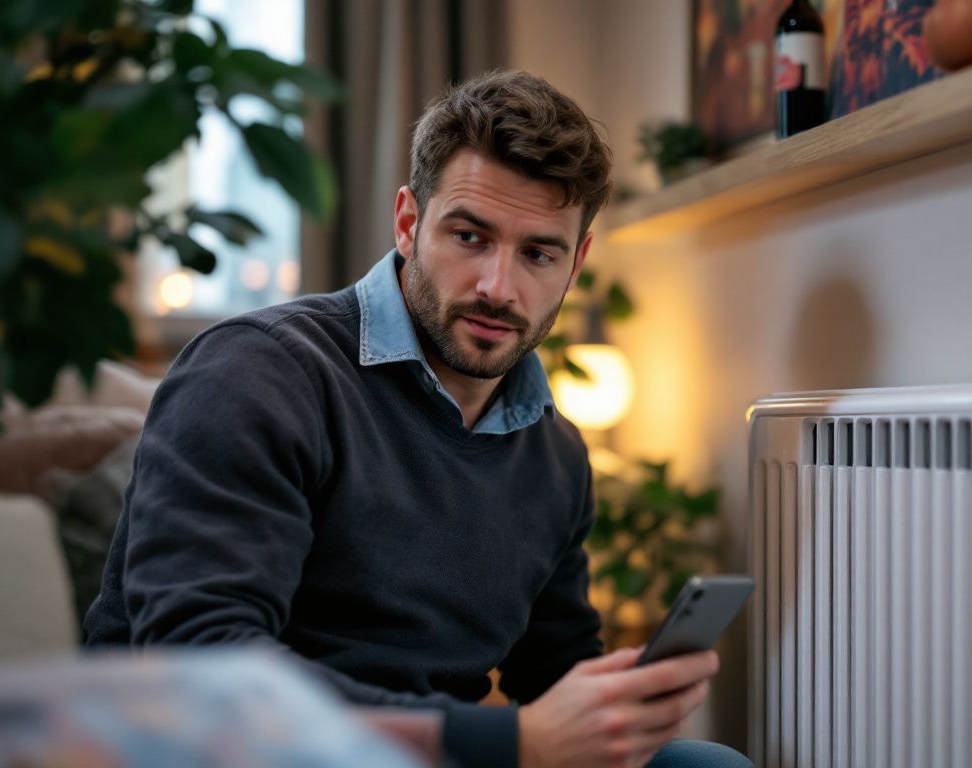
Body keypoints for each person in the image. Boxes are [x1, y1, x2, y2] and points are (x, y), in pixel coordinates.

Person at [84, 70, 751, 768]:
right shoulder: (258, 375)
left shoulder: (554, 456)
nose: (499, 286)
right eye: (470, 237)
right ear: (408, 223)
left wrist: (620, 706)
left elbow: (554, 673)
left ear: (576, 261)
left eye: (538, 253)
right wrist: (502, 742)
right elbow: (206, 674)